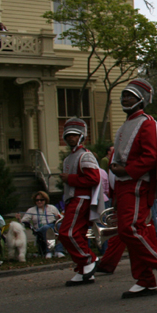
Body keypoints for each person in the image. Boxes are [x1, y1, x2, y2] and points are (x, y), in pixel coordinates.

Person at [108, 78, 157, 299]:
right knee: (133, 231)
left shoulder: (146, 122)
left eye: (131, 96)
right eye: (125, 95)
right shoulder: (125, 124)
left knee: (130, 229)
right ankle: (145, 280)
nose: (126, 99)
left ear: (142, 100)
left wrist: (125, 170)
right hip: (123, 184)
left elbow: (150, 156)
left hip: (137, 183)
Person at [58, 118, 102, 286]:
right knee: (79, 234)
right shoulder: (69, 158)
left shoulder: (85, 155)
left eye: (75, 135)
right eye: (68, 135)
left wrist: (69, 179)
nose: (71, 138)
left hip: (80, 199)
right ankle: (84, 270)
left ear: (81, 136)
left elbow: (93, 178)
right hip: (72, 199)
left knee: (67, 233)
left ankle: (88, 259)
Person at [19, 191, 63, 258]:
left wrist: (58, 217)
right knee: (47, 228)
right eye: (37, 200)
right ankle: (49, 251)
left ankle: (59, 251)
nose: (39, 202)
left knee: (59, 226)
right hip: (40, 229)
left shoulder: (52, 208)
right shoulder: (31, 210)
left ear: (45, 200)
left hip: (52, 225)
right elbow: (24, 221)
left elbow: (60, 218)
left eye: (41, 200)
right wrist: (19, 219)